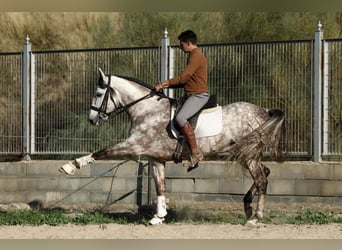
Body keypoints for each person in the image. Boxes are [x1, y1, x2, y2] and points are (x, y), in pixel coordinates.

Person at [155, 30, 209, 167]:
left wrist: (163, 84)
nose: (180, 47)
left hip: (198, 96)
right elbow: (185, 81)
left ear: (189, 43)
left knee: (180, 118)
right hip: (190, 94)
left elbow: (183, 78)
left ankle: (196, 153)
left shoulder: (196, 56)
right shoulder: (193, 55)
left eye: (182, 44)